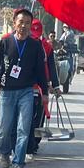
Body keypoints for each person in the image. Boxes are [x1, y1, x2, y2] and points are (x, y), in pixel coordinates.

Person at [0, 8, 48, 168]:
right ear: (14, 24)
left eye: (27, 23)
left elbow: (41, 70)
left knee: (23, 129)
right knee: (4, 128)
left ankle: (18, 163)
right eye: (21, 22)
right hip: (6, 92)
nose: (24, 26)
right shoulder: (5, 43)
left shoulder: (35, 45)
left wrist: (45, 92)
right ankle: (5, 153)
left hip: (26, 91)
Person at [23, 19, 61, 160]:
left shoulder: (47, 47)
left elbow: (51, 68)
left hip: (40, 88)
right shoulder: (19, 43)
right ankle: (26, 144)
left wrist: (56, 86)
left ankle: (33, 144)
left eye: (37, 34)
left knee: (38, 117)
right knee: (25, 118)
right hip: (23, 87)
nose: (35, 36)